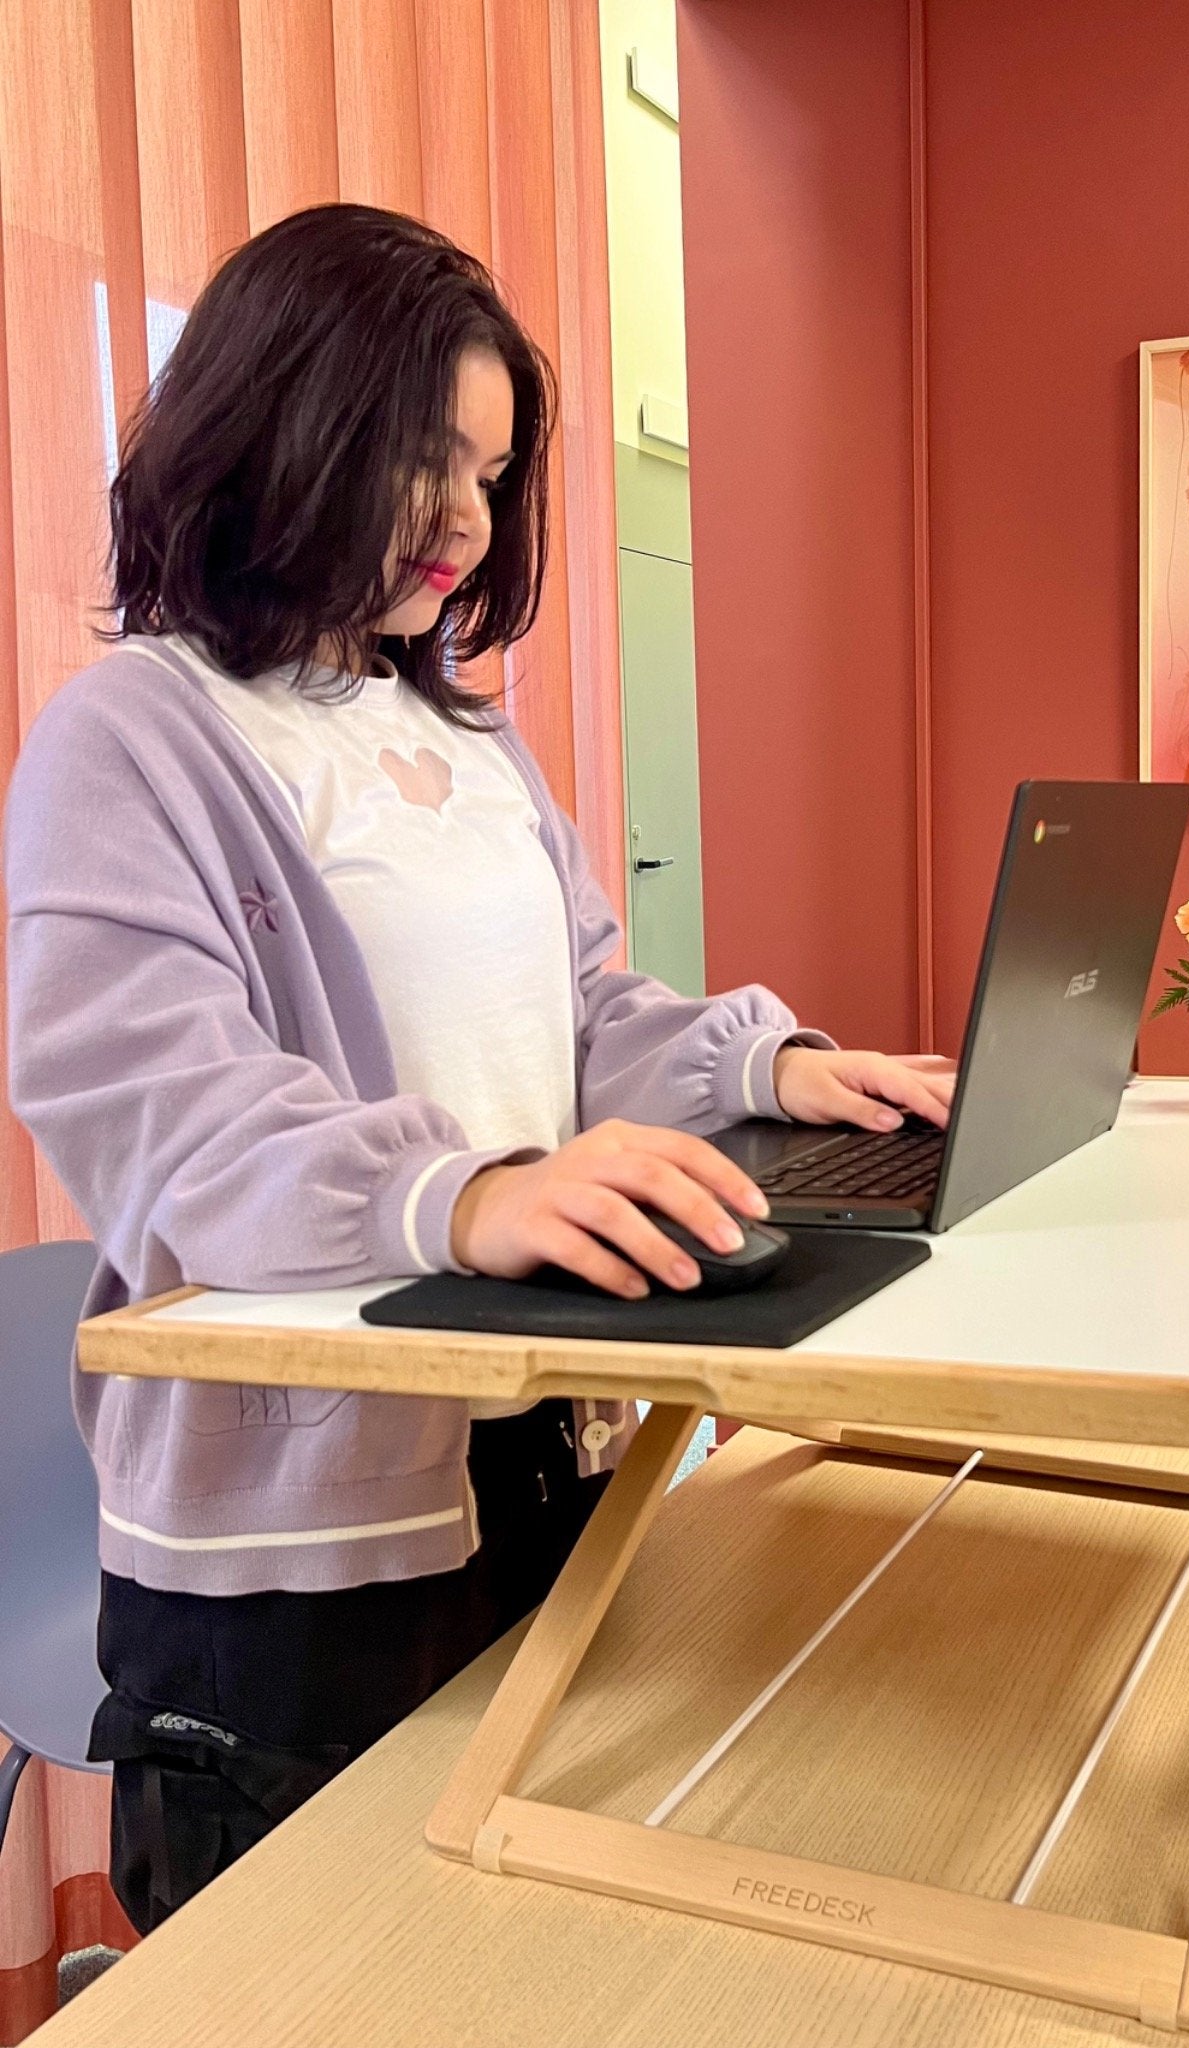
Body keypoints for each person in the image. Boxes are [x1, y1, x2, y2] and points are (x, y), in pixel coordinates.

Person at [3, 203, 953, 1933]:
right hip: (297, 1553)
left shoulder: (458, 727)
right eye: (422, 461)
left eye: (494, 473)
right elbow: (160, 1118)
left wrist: (770, 1064)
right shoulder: (129, 739)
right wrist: (467, 1191)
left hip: (538, 1452)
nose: (467, 519)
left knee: (533, 1951)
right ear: (276, 425)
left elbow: (584, 1022)